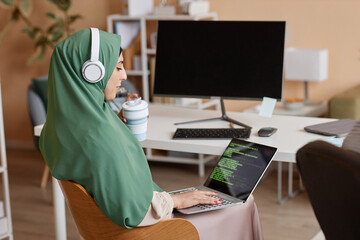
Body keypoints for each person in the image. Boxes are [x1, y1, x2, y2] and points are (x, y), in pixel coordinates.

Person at [39, 28, 222, 228]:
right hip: (144, 228)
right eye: (118, 67)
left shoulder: (55, 130)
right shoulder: (100, 137)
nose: (124, 75)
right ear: (92, 72)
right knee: (239, 209)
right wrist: (176, 200)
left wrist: (115, 122)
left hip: (102, 227)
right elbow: (134, 212)